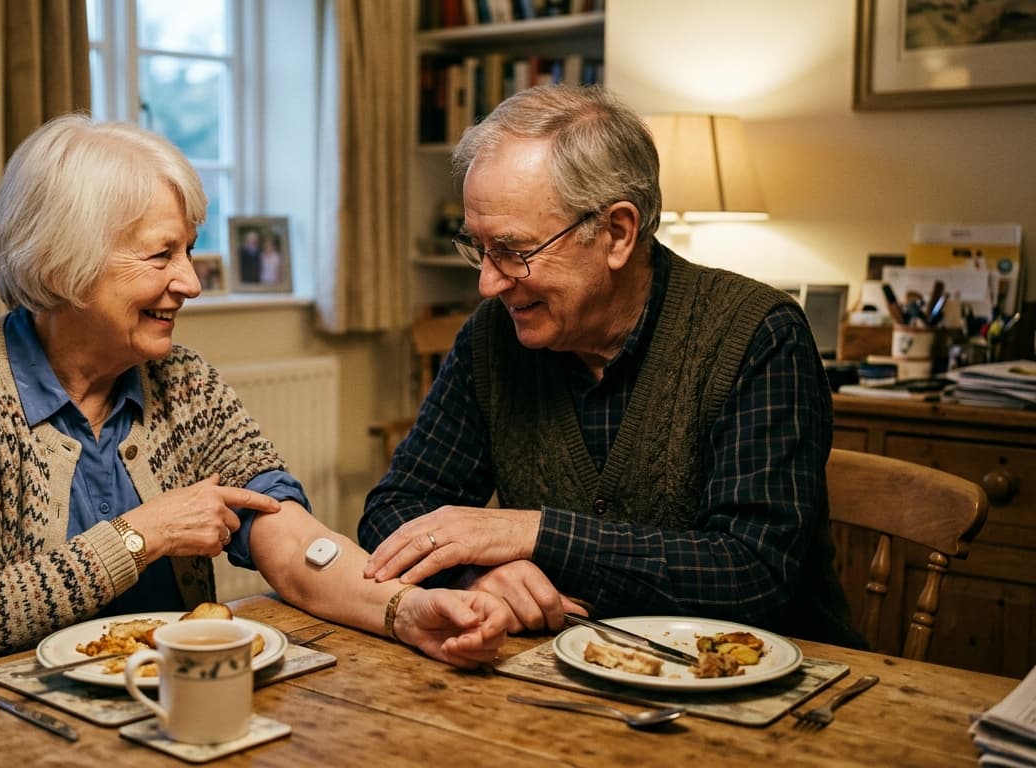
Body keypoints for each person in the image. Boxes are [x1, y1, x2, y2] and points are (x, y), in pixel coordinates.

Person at [0, 114, 509, 689]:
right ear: (61, 266)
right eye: (161, 254)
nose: (191, 282)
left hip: (147, 705)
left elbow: (286, 530)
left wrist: (403, 609)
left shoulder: (183, 381)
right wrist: (146, 532)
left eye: (189, 250)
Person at [358, 85, 863, 648]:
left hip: (772, 685)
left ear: (618, 233)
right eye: (478, 247)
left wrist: (533, 534)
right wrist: (475, 575)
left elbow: (752, 573)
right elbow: (394, 510)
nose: (488, 282)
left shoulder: (757, 335)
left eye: (514, 250)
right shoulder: (493, 339)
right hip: (576, 677)